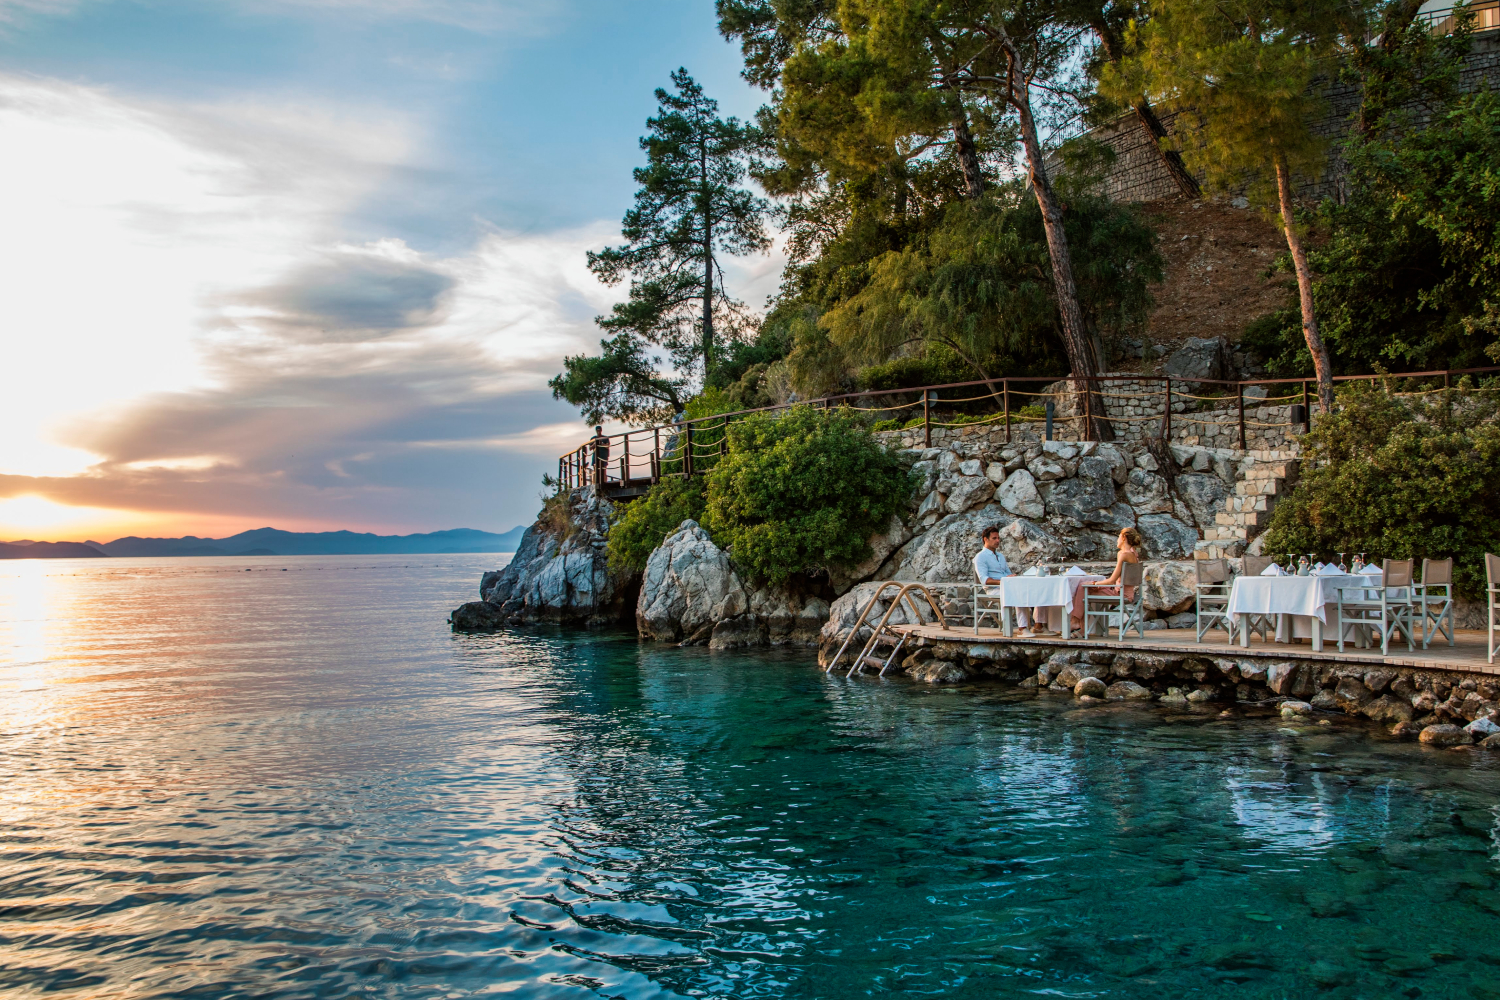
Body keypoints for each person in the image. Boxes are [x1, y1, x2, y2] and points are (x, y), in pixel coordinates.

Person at [973, 526, 1045, 635]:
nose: (997, 541)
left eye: (998, 538)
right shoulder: (980, 557)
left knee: (1035, 589)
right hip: (994, 589)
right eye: (994, 538)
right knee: (1019, 593)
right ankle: (1022, 628)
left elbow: (1007, 573)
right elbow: (984, 580)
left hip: (1008, 585)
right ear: (985, 539)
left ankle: (1039, 625)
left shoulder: (1000, 556)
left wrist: (1012, 577)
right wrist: (1003, 581)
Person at [1071, 527, 1142, 632]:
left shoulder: (1123, 554)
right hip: (1127, 593)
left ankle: (1076, 622)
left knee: (1083, 586)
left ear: (1123, 538)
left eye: (1118, 537)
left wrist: (1095, 583)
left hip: (1120, 594)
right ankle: (1081, 628)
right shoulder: (1134, 554)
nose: (1117, 540)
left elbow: (1111, 581)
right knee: (1087, 587)